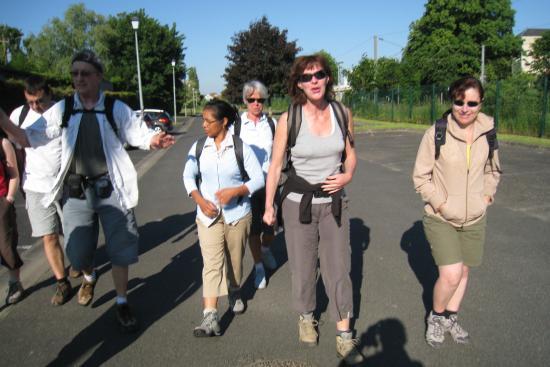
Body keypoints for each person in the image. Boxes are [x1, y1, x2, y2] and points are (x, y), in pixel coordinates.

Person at [0, 50, 175, 332]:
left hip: (111, 190)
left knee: (120, 250)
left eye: (84, 73)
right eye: (74, 73)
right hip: (76, 192)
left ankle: (121, 301)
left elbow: (137, 133)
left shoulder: (114, 107)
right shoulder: (64, 108)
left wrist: (155, 139)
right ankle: (89, 275)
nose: (78, 78)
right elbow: (29, 137)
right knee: (78, 253)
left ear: (98, 77)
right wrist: (3, 121)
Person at [262, 55, 363, 365]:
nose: (314, 81)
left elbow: (351, 153)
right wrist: (269, 206)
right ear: (299, 84)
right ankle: (306, 316)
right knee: (304, 266)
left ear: (328, 78)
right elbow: (276, 165)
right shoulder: (288, 119)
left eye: (319, 74)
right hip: (297, 203)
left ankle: (344, 332)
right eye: (307, 77)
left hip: (334, 203)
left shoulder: (342, 113)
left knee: (338, 267)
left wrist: (347, 175)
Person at [412, 76, 502, 348]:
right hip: (441, 217)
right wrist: (441, 204)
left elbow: (493, 169)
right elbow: (420, 177)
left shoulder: (489, 132)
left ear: (481, 103)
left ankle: (451, 317)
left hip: (475, 217)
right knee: (450, 274)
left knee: (463, 273)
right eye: (459, 102)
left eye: (472, 103)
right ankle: (436, 317)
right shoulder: (436, 132)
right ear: (451, 100)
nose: (465, 108)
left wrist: (486, 196)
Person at [183, 99, 264, 337]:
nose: (204, 125)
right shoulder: (199, 147)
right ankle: (210, 316)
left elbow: (258, 178)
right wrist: (198, 198)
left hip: (238, 215)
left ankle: (235, 289)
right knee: (211, 264)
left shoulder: (240, 147)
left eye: (208, 121)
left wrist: (237, 191)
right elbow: (188, 176)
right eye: (202, 120)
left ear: (224, 121)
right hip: (207, 217)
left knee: (235, 263)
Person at [9, 75, 73, 306]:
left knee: (73, 232)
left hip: (65, 185)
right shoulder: (19, 116)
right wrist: (20, 183)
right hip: (36, 186)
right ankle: (62, 282)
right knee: (49, 235)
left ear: (50, 94)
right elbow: (17, 152)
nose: (35, 107)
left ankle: (78, 261)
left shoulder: (64, 112)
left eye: (40, 101)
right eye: (31, 102)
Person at [230, 80, 277, 289]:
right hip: (247, 186)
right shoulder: (237, 126)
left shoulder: (273, 124)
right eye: (252, 100)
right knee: (253, 231)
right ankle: (258, 267)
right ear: (245, 100)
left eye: (260, 99)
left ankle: (265, 250)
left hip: (269, 184)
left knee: (271, 228)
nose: (256, 103)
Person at [0, 130, 23, 305]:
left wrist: (9, 199)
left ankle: (15, 283)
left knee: (6, 244)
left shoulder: (3, 144)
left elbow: (14, 174)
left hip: (2, 201)